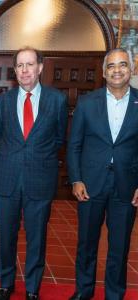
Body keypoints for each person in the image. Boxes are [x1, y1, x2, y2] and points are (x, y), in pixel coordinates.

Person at [0, 47, 68, 300]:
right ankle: (6, 284)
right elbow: (3, 136)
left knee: (37, 238)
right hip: (7, 180)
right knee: (6, 237)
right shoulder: (3, 101)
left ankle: (33, 288)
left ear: (40, 67)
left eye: (29, 64)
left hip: (40, 180)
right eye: (20, 65)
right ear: (15, 70)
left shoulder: (56, 100)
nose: (24, 70)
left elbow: (59, 139)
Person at [67, 48, 138, 300]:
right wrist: (76, 179)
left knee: (119, 247)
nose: (117, 70)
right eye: (111, 66)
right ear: (104, 72)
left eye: (122, 65)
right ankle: (83, 291)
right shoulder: (87, 103)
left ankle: (114, 294)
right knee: (86, 244)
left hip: (126, 187)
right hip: (90, 184)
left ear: (132, 69)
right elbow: (74, 144)